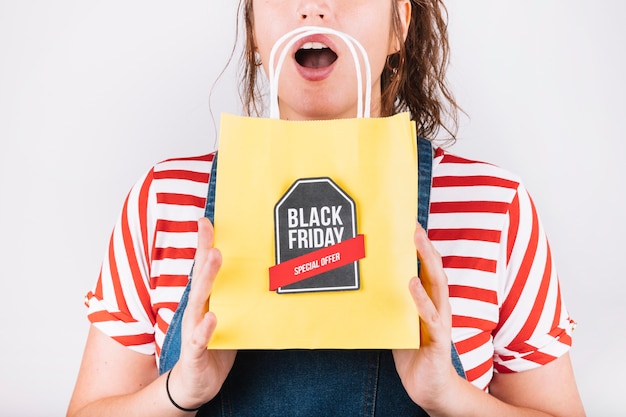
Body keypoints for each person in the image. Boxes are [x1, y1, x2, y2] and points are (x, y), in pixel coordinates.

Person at [67, 1, 586, 416]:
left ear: (399, 24)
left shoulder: (494, 209)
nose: (313, 7)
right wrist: (177, 393)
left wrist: (450, 398)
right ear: (252, 27)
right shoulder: (162, 200)